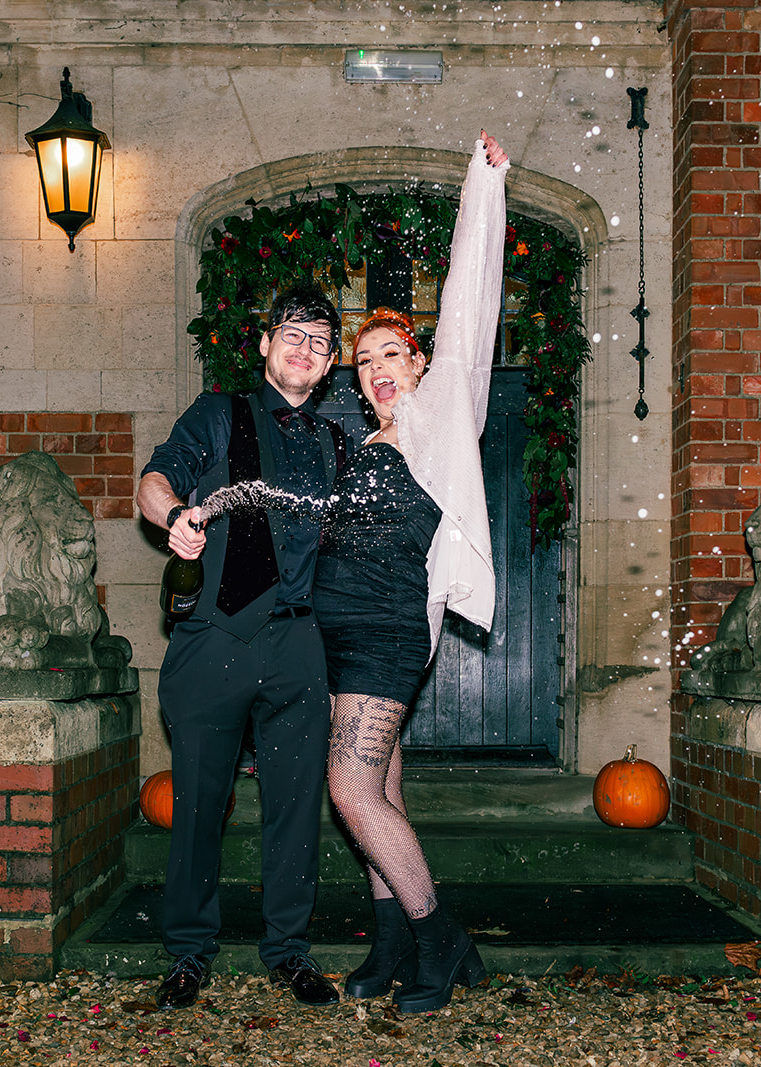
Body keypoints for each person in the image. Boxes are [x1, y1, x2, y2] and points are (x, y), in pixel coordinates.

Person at [315, 131, 509, 1013]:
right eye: (365, 361)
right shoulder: (359, 444)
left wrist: (483, 186)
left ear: (420, 363)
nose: (378, 368)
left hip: (389, 632)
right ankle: (391, 939)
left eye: (392, 352)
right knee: (382, 789)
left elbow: (467, 304)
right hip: (338, 635)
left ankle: (441, 938)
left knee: (350, 788)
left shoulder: (442, 419)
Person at [137, 284, 348, 1011]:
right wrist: (175, 517)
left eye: (319, 342)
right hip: (215, 639)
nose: (305, 348)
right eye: (293, 333)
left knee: (296, 807)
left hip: (298, 644)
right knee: (198, 804)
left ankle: (289, 952)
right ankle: (188, 953)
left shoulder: (335, 443)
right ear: (265, 344)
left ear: (329, 363)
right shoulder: (217, 413)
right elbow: (154, 480)